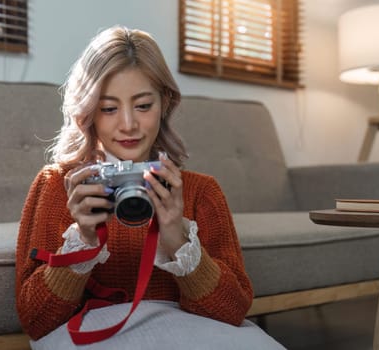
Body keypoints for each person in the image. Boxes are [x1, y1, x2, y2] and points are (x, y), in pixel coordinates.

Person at [16, 26, 280, 349]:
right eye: (109, 108)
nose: (128, 124)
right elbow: (35, 320)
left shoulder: (199, 191)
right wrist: (83, 242)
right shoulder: (59, 186)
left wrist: (177, 238)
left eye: (143, 105)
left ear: (165, 102)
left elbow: (233, 310)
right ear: (88, 113)